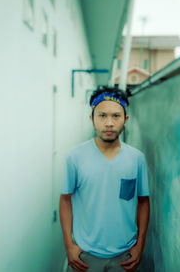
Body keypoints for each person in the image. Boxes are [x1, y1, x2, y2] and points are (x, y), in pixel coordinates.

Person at [59, 87, 150, 272]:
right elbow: (65, 200)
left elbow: (143, 201)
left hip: (125, 256)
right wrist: (69, 245)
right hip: (85, 256)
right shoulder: (75, 157)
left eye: (116, 116)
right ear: (92, 119)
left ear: (125, 120)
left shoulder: (136, 158)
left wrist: (140, 245)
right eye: (102, 116)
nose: (109, 123)